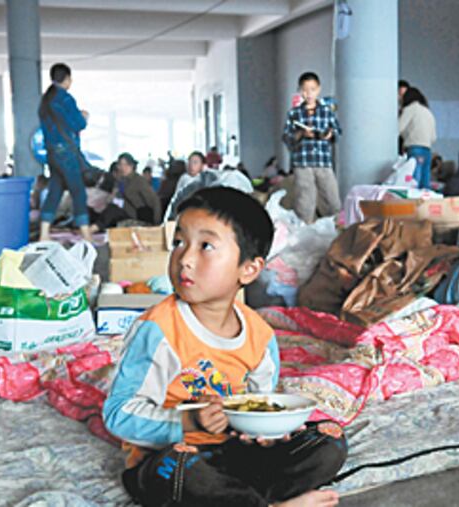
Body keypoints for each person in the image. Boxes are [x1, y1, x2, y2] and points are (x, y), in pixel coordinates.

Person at [103, 187, 347, 507]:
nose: (185, 258)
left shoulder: (259, 335)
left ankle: (241, 499)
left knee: (329, 440)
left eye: (206, 246)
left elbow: (261, 404)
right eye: (179, 242)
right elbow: (117, 414)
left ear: (249, 269)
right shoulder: (158, 330)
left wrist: (269, 433)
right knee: (180, 472)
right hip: (177, 456)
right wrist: (191, 421)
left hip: (236, 453)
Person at [38, 63, 92, 242]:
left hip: (52, 154)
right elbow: (78, 124)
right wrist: (83, 116)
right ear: (67, 79)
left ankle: (44, 234)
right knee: (78, 192)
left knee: (55, 190)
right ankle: (86, 235)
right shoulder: (66, 99)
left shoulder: (46, 100)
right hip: (67, 154)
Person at [282, 71, 342, 224]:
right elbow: (286, 137)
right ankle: (304, 232)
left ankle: (335, 229)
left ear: (319, 89)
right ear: (300, 90)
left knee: (331, 197)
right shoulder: (294, 114)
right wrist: (301, 133)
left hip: (323, 161)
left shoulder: (327, 111)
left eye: (312, 89)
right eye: (305, 90)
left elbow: (337, 131)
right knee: (304, 200)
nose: (309, 93)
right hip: (302, 162)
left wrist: (330, 134)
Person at [399, 87, 437, 190]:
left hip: (414, 148)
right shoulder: (428, 112)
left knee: (413, 182)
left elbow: (399, 128)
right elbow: (433, 137)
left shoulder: (410, 109)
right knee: (424, 184)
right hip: (427, 151)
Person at [117, 152, 162, 225]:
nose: (122, 168)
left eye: (125, 164)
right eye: (120, 165)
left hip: (140, 219)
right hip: (126, 217)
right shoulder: (121, 181)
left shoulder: (139, 180)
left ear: (132, 166)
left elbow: (154, 201)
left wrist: (157, 222)